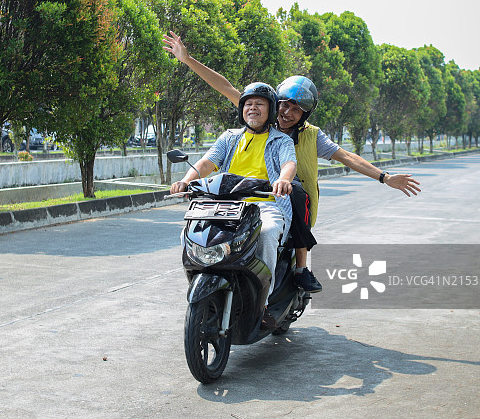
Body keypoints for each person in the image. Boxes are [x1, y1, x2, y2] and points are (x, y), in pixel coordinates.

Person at [163, 31, 422, 293]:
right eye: (284, 106)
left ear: (304, 115)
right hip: (238, 195)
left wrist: (384, 177)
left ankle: (299, 269)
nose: (287, 114)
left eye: (296, 110)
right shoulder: (255, 120)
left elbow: (346, 157)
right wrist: (187, 60)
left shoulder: (310, 136)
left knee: (296, 194)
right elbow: (225, 88)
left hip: (283, 193)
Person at [170, 82, 297, 302]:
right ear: (241, 109)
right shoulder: (229, 137)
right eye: (248, 104)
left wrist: (284, 180)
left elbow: (289, 163)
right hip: (225, 204)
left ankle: (263, 300)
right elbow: (206, 163)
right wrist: (185, 181)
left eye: (260, 104)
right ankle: (201, 281)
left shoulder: (281, 140)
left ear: (271, 111)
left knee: (267, 233)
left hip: (264, 203)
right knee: (188, 233)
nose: (253, 108)